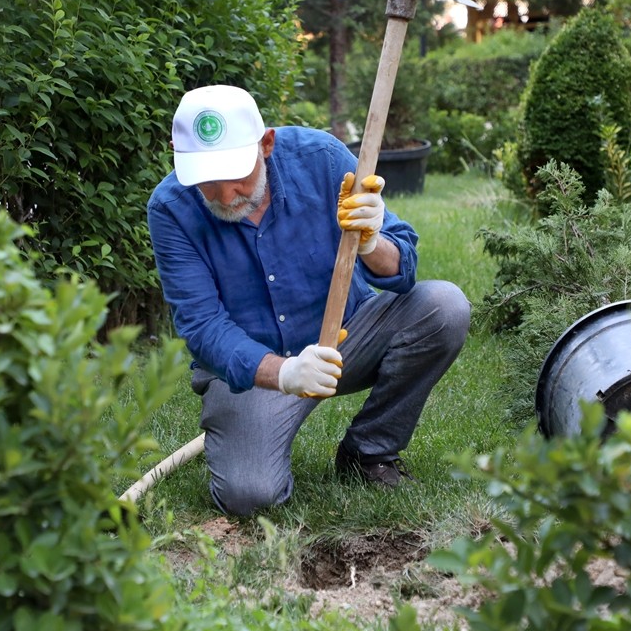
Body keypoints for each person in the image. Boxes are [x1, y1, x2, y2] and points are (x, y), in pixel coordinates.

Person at [147, 84, 470, 517]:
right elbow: (202, 327)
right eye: (208, 181)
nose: (226, 196)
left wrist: (373, 241)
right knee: (250, 495)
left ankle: (368, 451)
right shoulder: (170, 209)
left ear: (266, 144)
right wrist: (284, 373)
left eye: (238, 175)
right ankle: (250, 430)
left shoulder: (322, 160)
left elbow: (404, 267)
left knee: (444, 307)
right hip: (252, 371)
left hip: (347, 339)